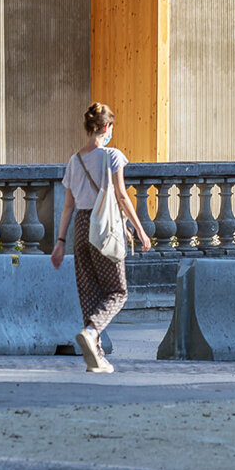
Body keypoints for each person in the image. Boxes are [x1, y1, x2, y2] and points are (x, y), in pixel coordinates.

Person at [51, 102, 152, 373]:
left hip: (81, 227)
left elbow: (68, 206)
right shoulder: (113, 156)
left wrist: (60, 242)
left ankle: (95, 358)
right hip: (105, 227)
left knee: (89, 291)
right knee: (118, 291)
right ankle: (93, 331)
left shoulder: (74, 161)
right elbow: (120, 196)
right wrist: (140, 229)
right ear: (107, 127)